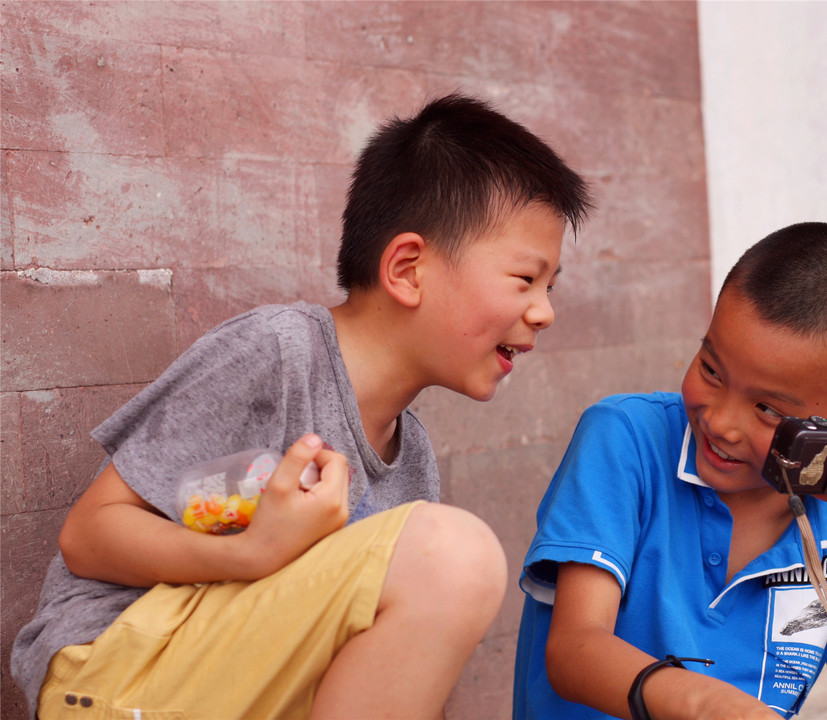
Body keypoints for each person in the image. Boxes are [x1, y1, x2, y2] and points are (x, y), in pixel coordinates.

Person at [12, 93, 591, 720]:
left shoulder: (412, 460)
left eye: (551, 286)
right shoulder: (280, 353)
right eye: (526, 279)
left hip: (236, 686)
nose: (545, 311)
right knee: (454, 555)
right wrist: (249, 552)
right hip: (116, 673)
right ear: (407, 269)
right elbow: (89, 535)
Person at [513, 222, 827, 720]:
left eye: (768, 409)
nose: (721, 422)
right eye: (711, 369)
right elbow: (574, 650)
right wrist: (706, 705)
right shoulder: (628, 440)